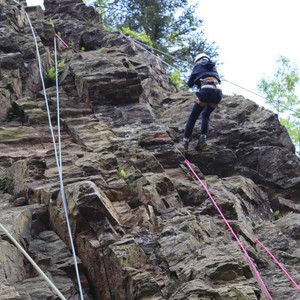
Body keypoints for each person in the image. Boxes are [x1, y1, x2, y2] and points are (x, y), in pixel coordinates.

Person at [180, 53, 222, 150]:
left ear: (197, 60)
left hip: (207, 89)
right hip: (218, 92)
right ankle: (203, 138)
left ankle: (185, 141)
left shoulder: (197, 65)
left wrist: (192, 79)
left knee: (194, 115)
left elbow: (190, 84)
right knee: (206, 114)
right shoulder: (213, 67)